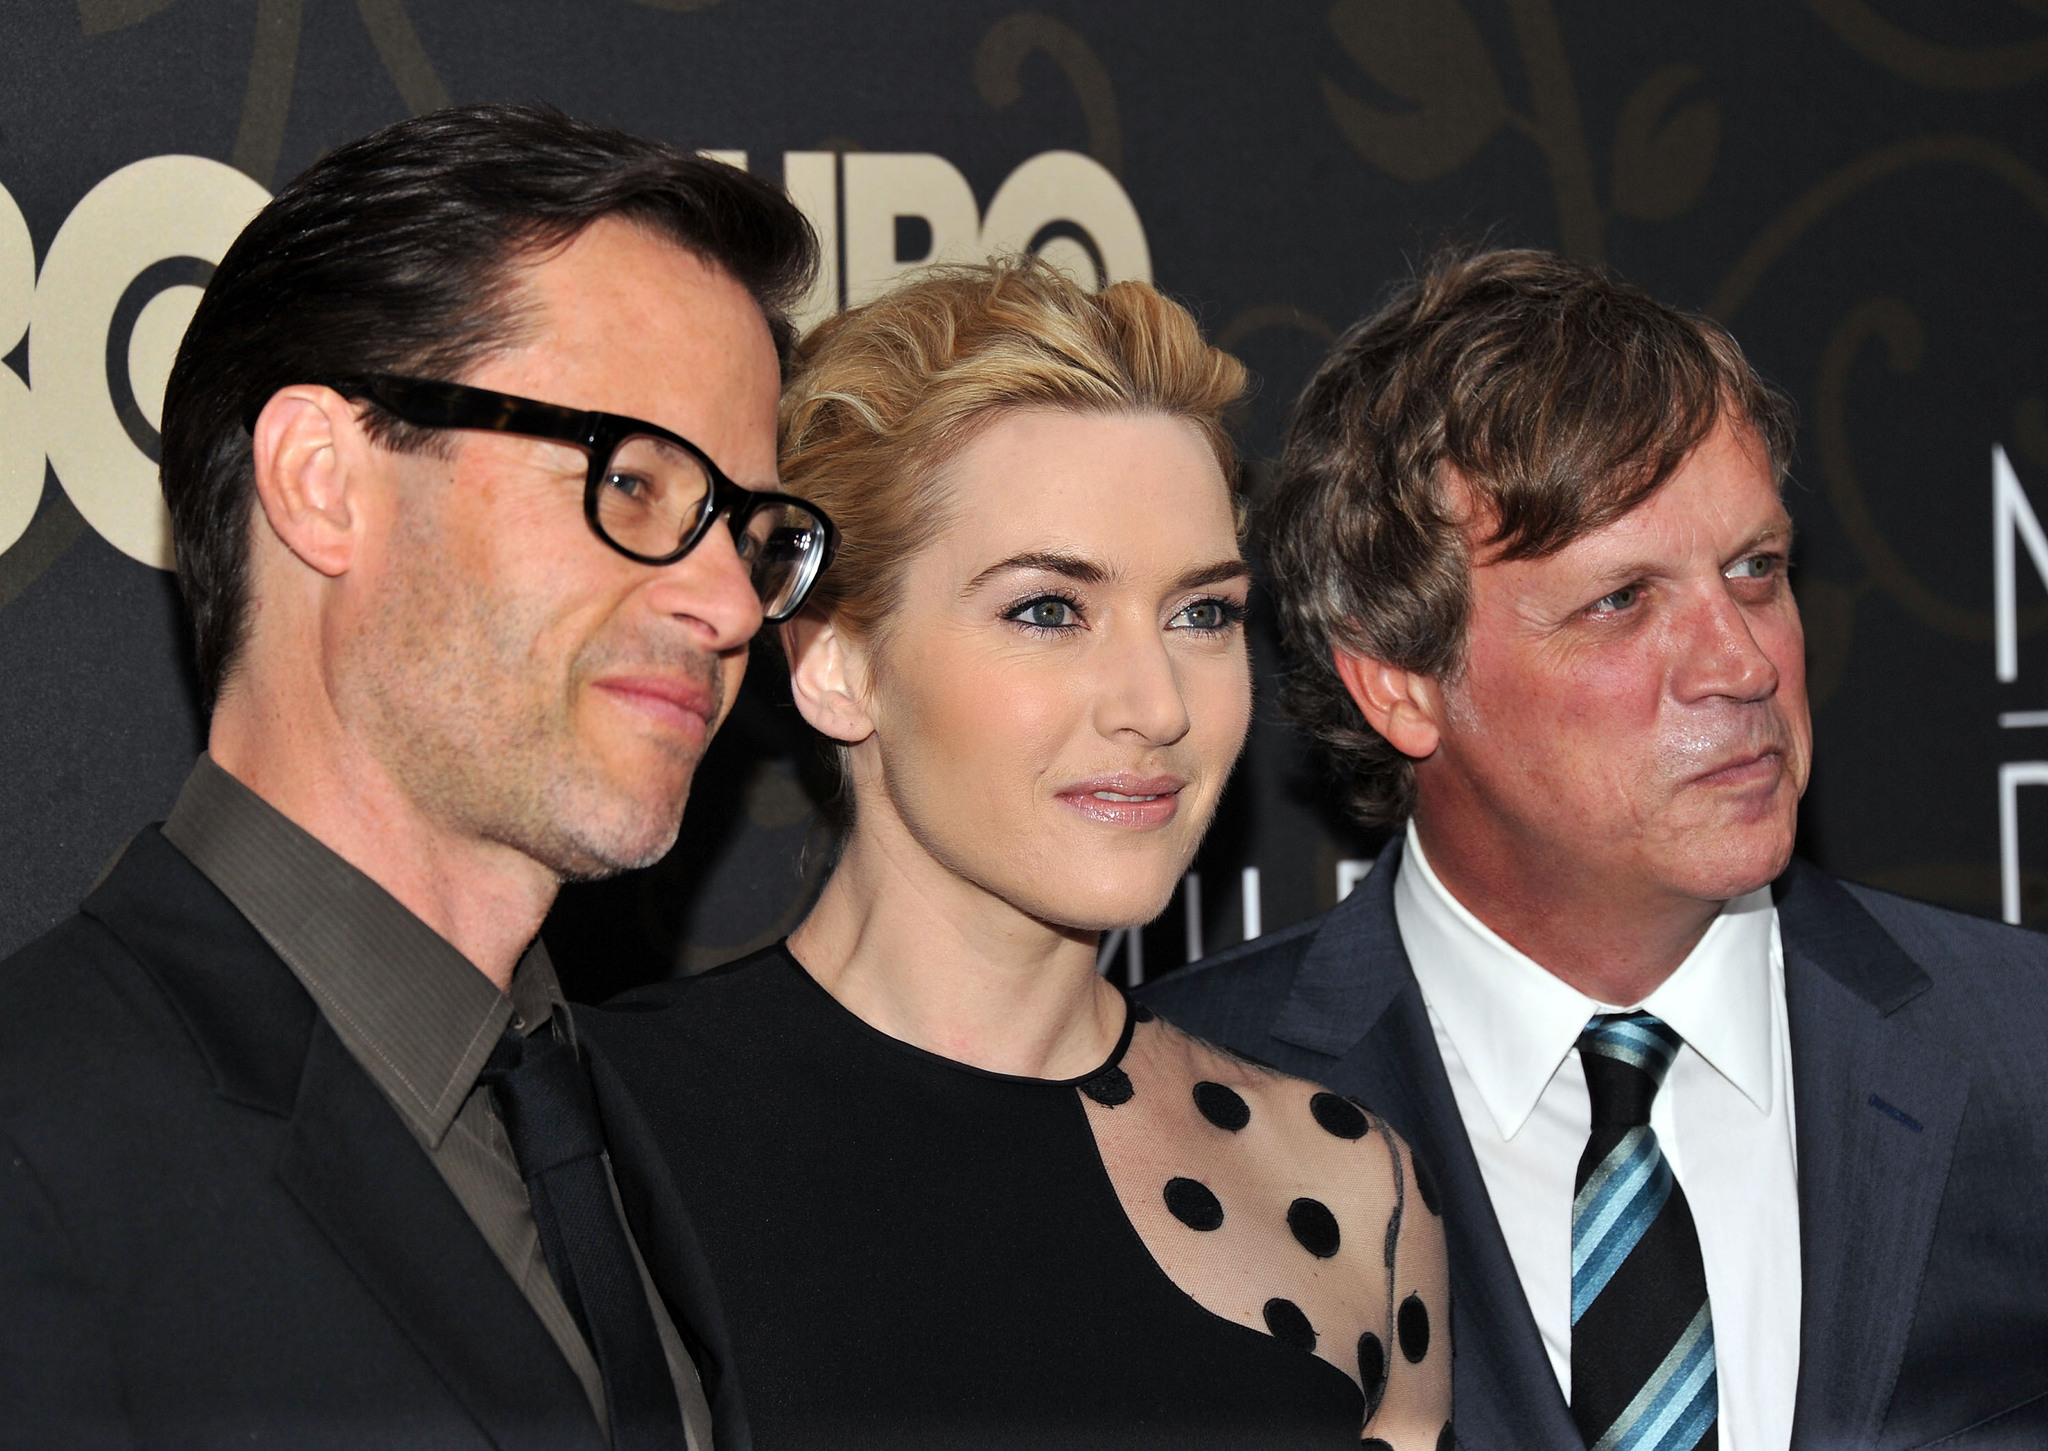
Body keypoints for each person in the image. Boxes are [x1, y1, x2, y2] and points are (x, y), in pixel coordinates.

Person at [0, 105, 836, 1449]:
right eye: (634, 481)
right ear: (323, 483)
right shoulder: (41, 1146)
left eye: (750, 527)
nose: (732, 600)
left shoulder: (664, 1139)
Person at [1142, 248, 2048, 1450]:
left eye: (1755, 570)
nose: (1742, 663)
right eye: (1620, 599)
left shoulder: (2019, 1053)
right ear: (1399, 681)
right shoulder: (1168, 1109)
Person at [581, 258, 1451, 1450]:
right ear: (837, 662)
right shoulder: (598, 1132)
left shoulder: (1345, 1189)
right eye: (1047, 608)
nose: (1155, 702)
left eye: (1201, 613)